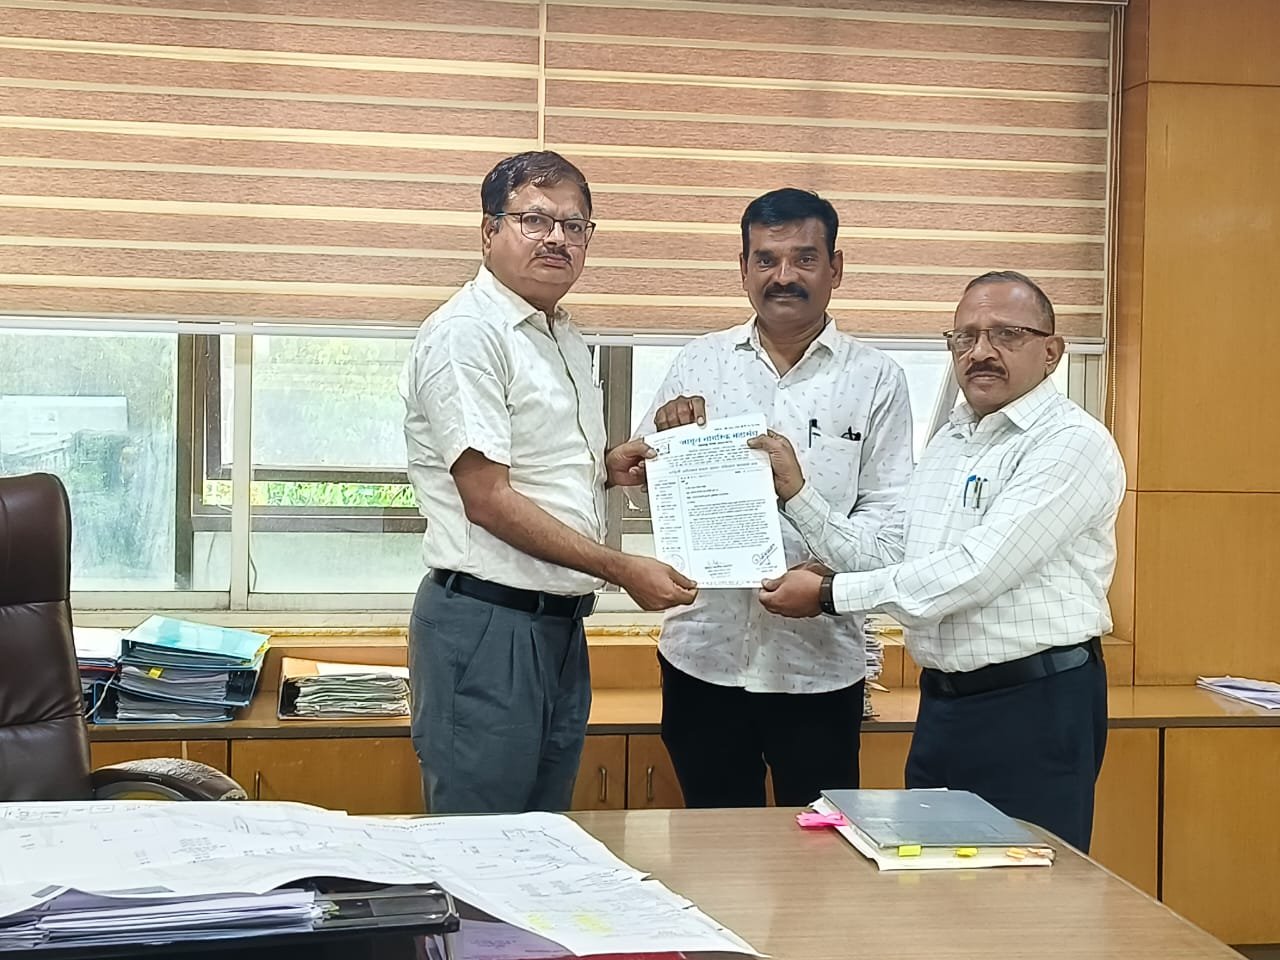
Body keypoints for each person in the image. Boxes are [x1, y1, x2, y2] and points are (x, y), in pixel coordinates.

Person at [755, 270, 1125, 851]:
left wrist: (828, 595)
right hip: (945, 707)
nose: (981, 352)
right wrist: (798, 495)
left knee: (1023, 888)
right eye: (965, 337)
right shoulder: (952, 441)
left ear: (1052, 352)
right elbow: (887, 554)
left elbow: (975, 571)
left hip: (1034, 706)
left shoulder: (1071, 443)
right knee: (934, 883)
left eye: (1007, 334)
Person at [399, 151, 698, 815]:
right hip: (489, 625)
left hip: (555, 627)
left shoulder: (558, 333)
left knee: (541, 835)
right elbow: (487, 499)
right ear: (489, 231)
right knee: (484, 842)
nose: (557, 238)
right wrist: (622, 568)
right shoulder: (468, 334)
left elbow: (535, 466)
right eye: (534, 220)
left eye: (574, 225)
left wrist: (607, 468)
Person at [631, 188, 915, 808]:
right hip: (702, 659)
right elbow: (646, 490)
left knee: (817, 855)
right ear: (743, 268)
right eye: (766, 259)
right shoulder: (697, 362)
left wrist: (822, 561)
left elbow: (888, 533)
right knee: (713, 847)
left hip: (819, 668)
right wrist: (662, 454)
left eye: (804, 258)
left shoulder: (877, 379)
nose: (783, 275)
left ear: (836, 268)